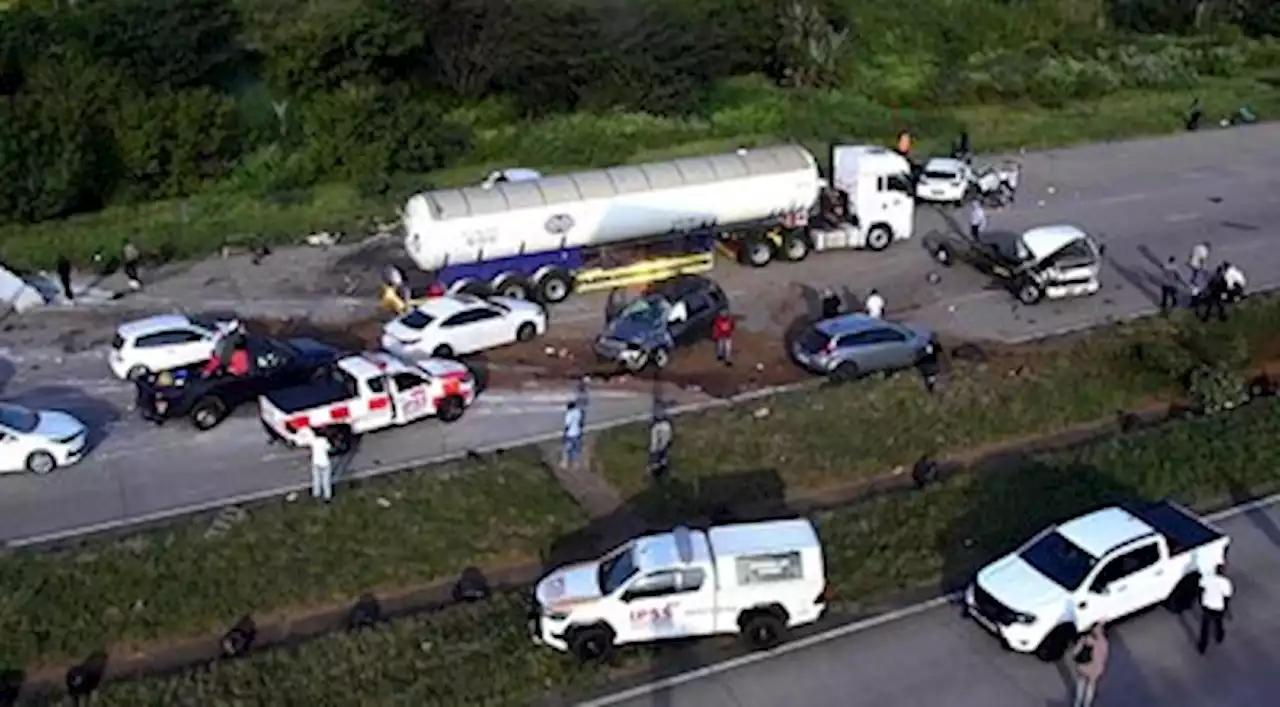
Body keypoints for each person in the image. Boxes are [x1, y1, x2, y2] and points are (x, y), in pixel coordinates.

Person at [1198, 563, 1234, 654]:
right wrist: (1226, 608)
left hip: (1207, 604)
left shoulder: (1207, 579)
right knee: (1218, 621)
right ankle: (1219, 636)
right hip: (1218, 606)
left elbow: (1200, 588)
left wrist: (1201, 600)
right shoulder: (1225, 582)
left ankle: (1203, 645)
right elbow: (1227, 596)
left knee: (1205, 626)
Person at [1072, 623, 1109, 707]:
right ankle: (1086, 704)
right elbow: (1104, 657)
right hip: (1095, 668)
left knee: (1081, 684)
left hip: (1085, 666)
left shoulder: (1086, 639)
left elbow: (1075, 653)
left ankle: (1078, 703)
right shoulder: (1104, 642)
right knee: (1091, 686)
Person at [297, 426, 334, 502]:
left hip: (315, 462)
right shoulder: (324, 441)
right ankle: (327, 496)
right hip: (324, 463)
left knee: (316, 479)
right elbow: (329, 448)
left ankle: (316, 493)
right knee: (325, 480)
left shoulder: (313, 441)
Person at [562, 401, 584, 468]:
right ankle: (576, 464)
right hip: (577, 433)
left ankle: (566, 463)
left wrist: (564, 434)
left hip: (570, 434)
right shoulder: (578, 412)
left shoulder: (569, 414)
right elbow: (581, 423)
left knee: (567, 449)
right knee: (577, 449)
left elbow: (567, 425)